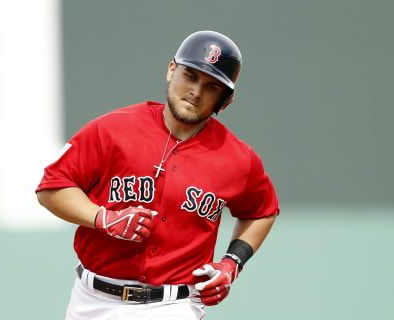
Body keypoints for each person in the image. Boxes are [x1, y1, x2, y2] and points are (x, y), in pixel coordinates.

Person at [36, 30, 279, 320]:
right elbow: (52, 187)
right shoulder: (112, 129)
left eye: (212, 86)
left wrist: (231, 263)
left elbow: (262, 211)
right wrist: (103, 218)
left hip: (173, 306)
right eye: (190, 75)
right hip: (91, 301)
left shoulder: (238, 158)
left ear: (224, 100)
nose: (197, 92)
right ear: (171, 70)